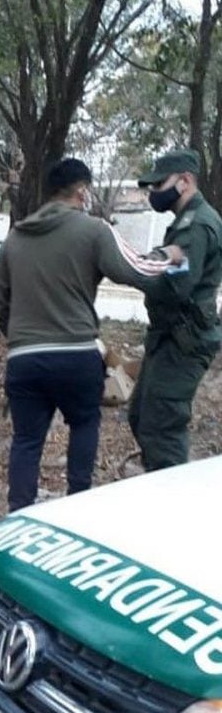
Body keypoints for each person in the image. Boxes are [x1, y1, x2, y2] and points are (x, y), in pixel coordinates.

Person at [0, 157, 184, 512]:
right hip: (76, 355)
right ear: (82, 191)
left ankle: (17, 515)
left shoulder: (15, 238)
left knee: (27, 440)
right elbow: (134, 270)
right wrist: (168, 256)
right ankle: (77, 506)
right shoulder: (93, 230)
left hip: (24, 360)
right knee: (84, 424)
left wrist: (19, 336)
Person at [129, 148, 222, 471]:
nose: (154, 192)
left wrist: (139, 270)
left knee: (161, 428)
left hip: (185, 341)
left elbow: (177, 286)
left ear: (185, 181)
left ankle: (171, 506)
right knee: (141, 415)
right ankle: (159, 483)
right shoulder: (185, 221)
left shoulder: (197, 225)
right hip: (168, 338)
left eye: (159, 184)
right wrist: (158, 258)